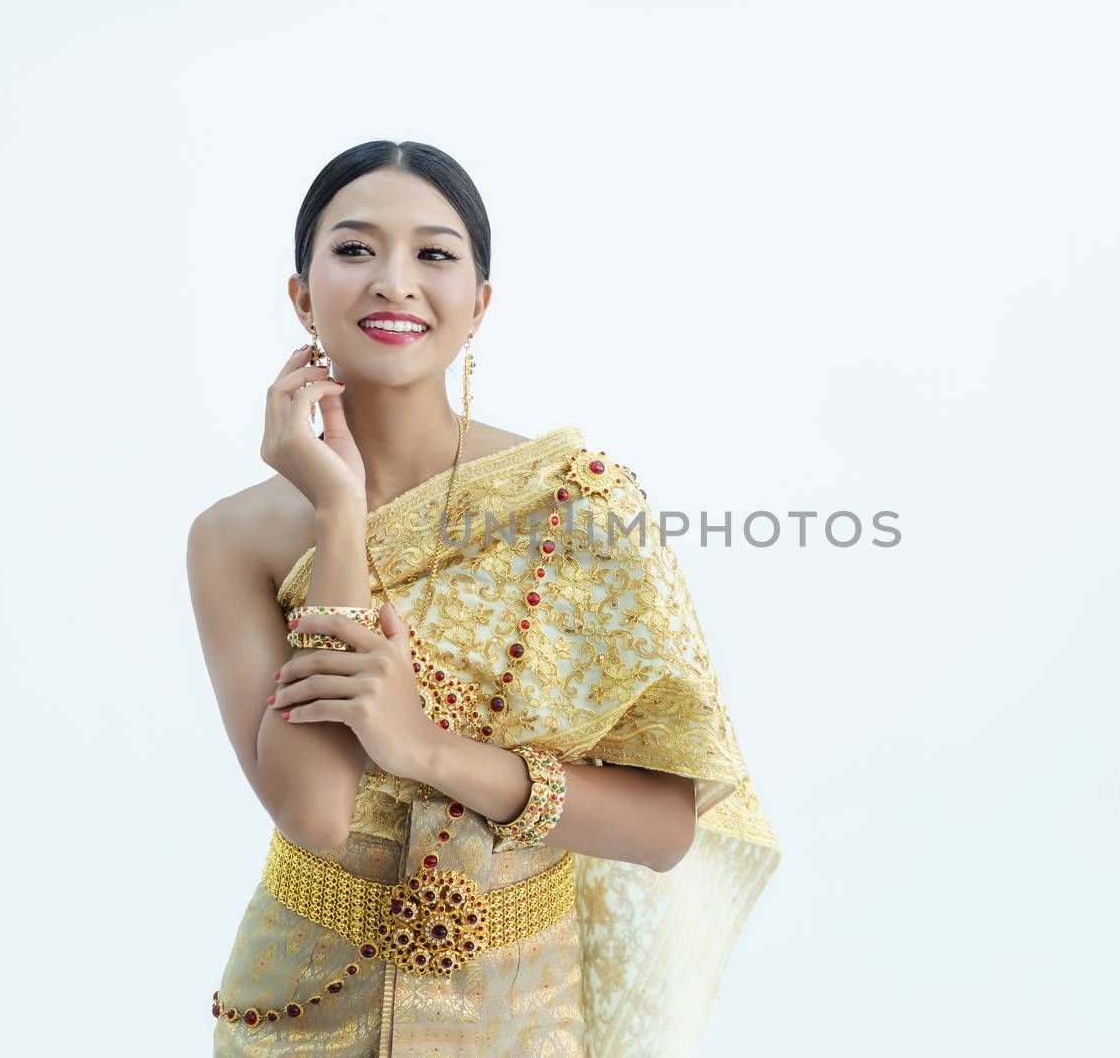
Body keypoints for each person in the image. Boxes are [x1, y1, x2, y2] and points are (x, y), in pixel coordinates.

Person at [187, 139, 780, 1057]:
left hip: (522, 1010)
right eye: (353, 250)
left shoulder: (577, 503)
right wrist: (341, 514)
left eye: (433, 253)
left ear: (480, 304)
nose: (393, 281)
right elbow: (314, 811)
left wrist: (426, 748)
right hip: (298, 1004)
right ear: (301, 294)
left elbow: (666, 829)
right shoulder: (234, 537)